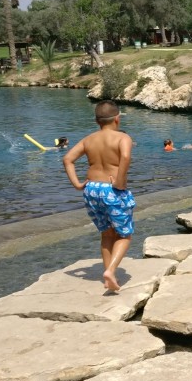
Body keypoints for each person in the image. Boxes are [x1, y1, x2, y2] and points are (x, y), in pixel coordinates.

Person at [63, 100, 135, 292]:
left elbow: (67, 159)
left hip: (92, 189)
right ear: (117, 119)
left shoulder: (89, 139)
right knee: (125, 235)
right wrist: (120, 182)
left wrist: (77, 184)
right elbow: (125, 157)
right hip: (112, 189)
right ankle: (110, 271)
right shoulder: (123, 138)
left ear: (97, 121)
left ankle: (108, 278)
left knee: (107, 233)